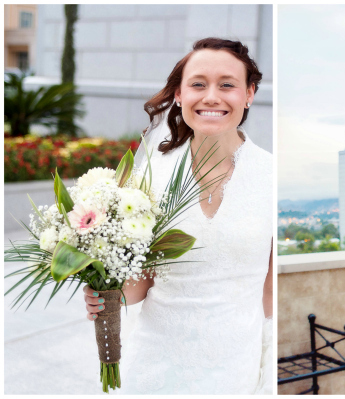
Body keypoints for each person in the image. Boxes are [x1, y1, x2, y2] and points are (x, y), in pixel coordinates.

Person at [83, 38, 273, 394]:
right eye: (198, 84)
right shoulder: (152, 173)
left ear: (249, 93)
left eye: (227, 85)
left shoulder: (272, 174)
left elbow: (270, 296)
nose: (211, 96)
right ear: (180, 95)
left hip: (234, 369)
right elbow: (142, 281)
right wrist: (105, 292)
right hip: (156, 366)